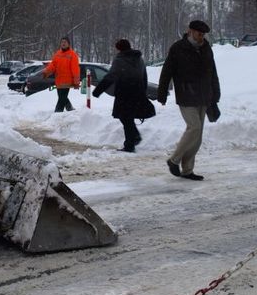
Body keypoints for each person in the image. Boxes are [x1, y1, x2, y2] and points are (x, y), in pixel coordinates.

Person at [157, 20, 221, 181]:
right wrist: (162, 93)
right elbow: (167, 72)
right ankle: (173, 160)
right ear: (190, 31)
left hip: (204, 95)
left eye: (203, 34)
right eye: (199, 34)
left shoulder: (206, 48)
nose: (201, 37)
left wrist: (216, 93)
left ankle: (187, 170)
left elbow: (213, 72)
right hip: (186, 94)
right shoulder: (178, 48)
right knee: (194, 127)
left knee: (197, 136)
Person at [92, 39, 154, 153]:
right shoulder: (139, 59)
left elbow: (110, 76)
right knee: (127, 118)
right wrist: (143, 91)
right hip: (137, 91)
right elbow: (144, 75)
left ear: (119, 49)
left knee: (125, 118)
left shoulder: (119, 60)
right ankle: (133, 138)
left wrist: (98, 91)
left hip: (124, 92)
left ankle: (131, 143)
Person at [42, 37, 80, 112]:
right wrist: (46, 71)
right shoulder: (57, 54)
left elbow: (75, 69)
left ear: (68, 44)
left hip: (67, 81)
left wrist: (76, 82)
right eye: (62, 42)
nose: (63, 43)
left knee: (62, 98)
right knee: (62, 97)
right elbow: (53, 65)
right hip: (59, 80)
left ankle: (57, 112)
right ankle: (70, 108)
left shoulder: (73, 55)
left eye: (65, 42)